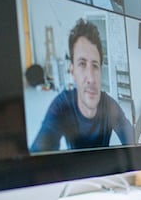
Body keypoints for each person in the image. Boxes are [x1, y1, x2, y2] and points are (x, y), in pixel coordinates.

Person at [31, 19, 134, 152]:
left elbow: (134, 142)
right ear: (72, 71)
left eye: (95, 66)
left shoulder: (109, 106)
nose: (91, 78)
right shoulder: (62, 105)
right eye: (82, 64)